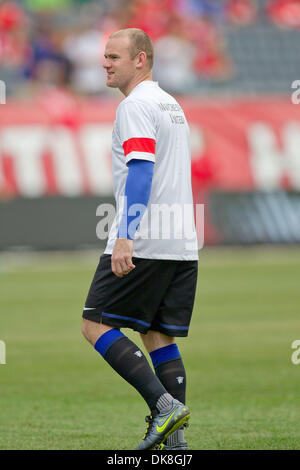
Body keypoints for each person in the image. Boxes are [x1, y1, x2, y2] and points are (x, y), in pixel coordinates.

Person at [81, 28, 199, 451]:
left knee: (95, 324)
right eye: (105, 56)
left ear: (141, 60)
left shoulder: (135, 105)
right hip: (181, 239)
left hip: (146, 237)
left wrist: (126, 235)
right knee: (155, 334)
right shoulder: (171, 104)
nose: (105, 63)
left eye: (114, 56)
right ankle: (177, 444)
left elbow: (143, 171)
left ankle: (163, 407)